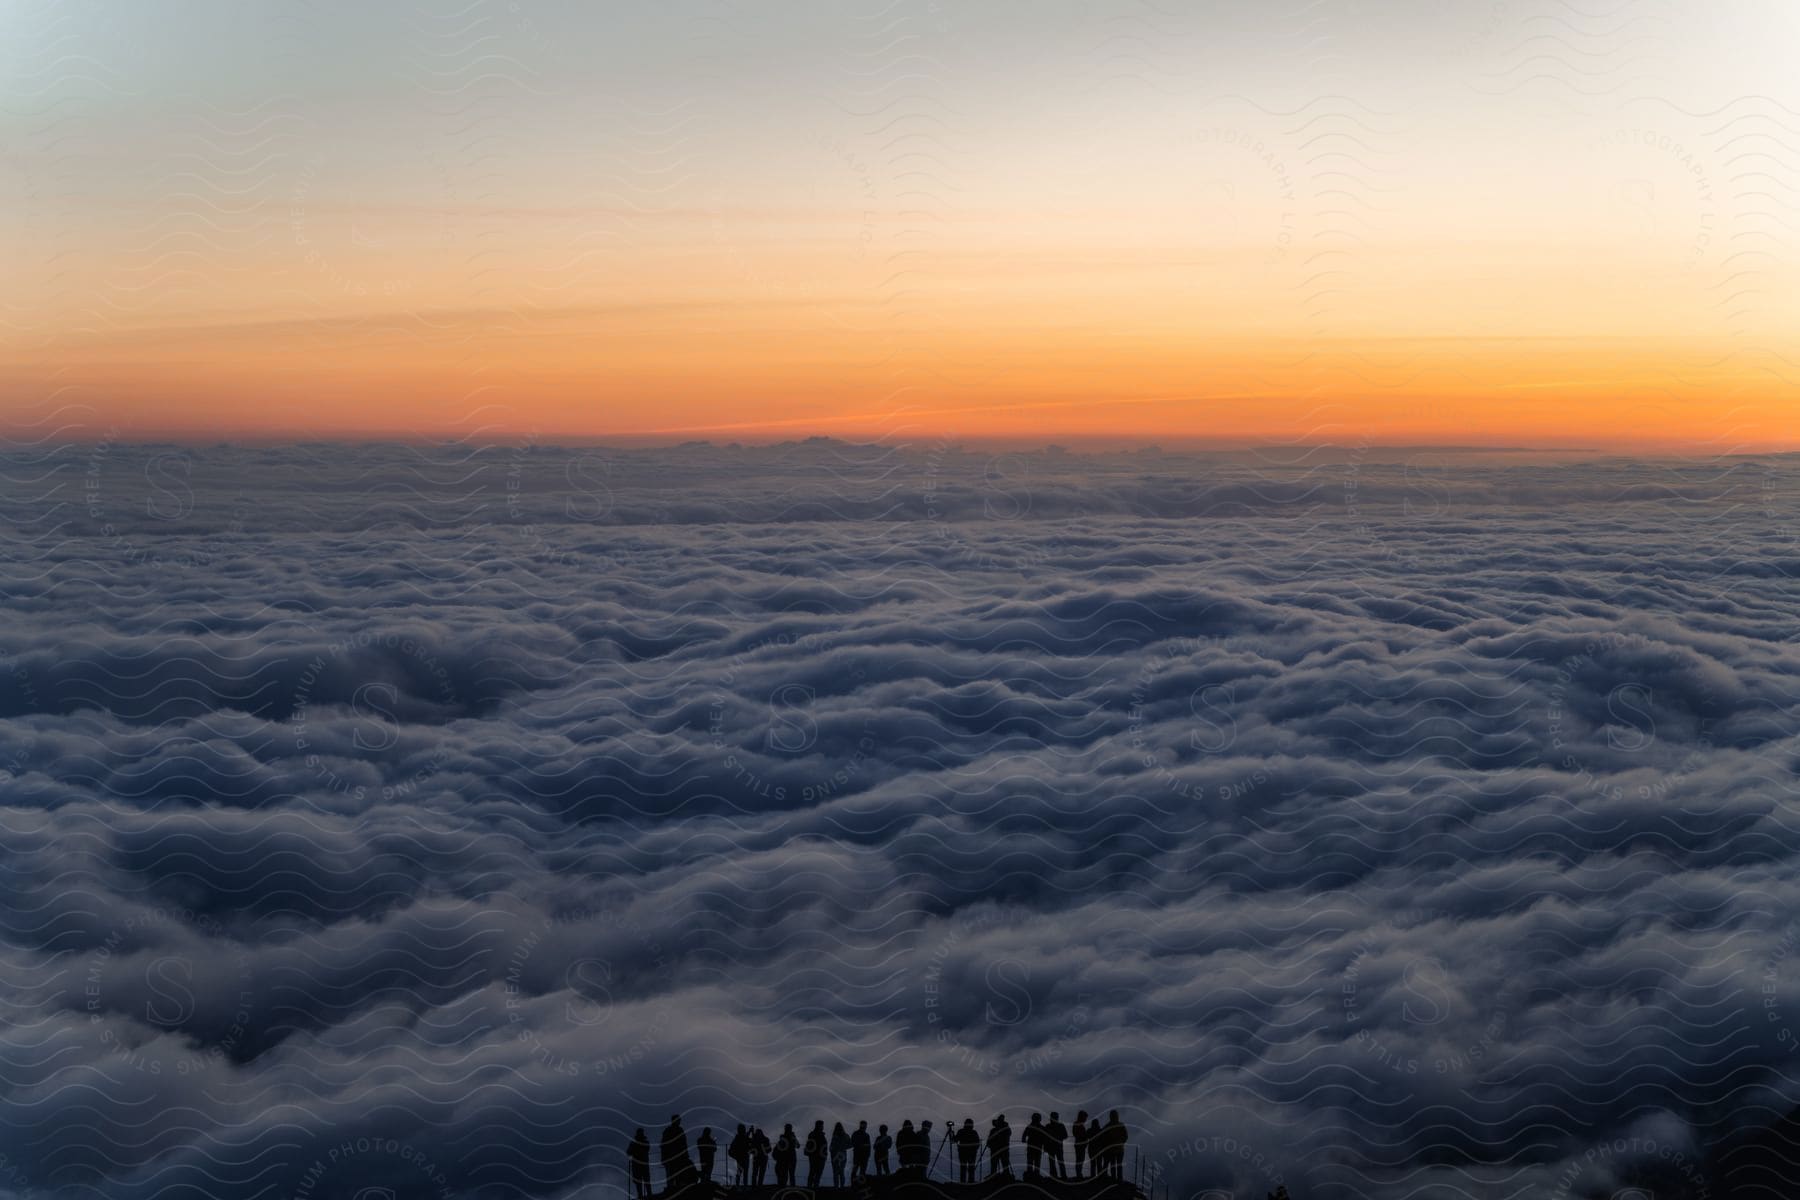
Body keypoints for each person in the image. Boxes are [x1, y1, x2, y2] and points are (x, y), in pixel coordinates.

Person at [661, 1114, 694, 1192]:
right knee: (672, 1174)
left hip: (679, 1156)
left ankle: (676, 1189)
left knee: (679, 1174)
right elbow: (664, 1144)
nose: (679, 1122)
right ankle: (672, 1189)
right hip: (672, 1156)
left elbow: (684, 1143)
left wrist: (686, 1154)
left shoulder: (679, 1130)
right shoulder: (669, 1130)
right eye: (678, 1120)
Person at [1101, 1111, 1127, 1179]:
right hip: (1119, 1149)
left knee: (1113, 1165)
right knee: (1119, 1165)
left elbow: (1103, 1137)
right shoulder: (1121, 1125)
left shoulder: (1107, 1126)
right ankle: (1119, 1179)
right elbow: (1125, 1136)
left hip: (1111, 1149)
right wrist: (1121, 1143)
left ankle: (1114, 1179)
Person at [629, 1129, 653, 1199]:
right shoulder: (637, 1143)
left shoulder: (644, 1143)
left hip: (641, 1165)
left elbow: (629, 1152)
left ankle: (648, 1195)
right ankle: (643, 1195)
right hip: (639, 1165)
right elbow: (629, 1152)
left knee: (646, 1180)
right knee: (640, 1181)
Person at [986, 1114, 1012, 1179]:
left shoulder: (1004, 1129)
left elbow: (989, 1139)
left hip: (1000, 1149)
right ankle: (997, 1174)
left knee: (1003, 1162)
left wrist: (989, 1144)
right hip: (999, 1149)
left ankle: (1003, 1174)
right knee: (998, 1162)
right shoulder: (1000, 1129)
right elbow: (989, 1139)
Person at [956, 1118, 981, 1183]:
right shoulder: (974, 1132)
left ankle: (963, 1182)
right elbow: (978, 1143)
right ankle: (971, 1181)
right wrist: (975, 1149)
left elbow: (954, 1140)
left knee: (963, 1168)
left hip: (963, 1153)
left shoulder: (961, 1131)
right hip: (971, 1153)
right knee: (971, 1168)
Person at [805, 1121, 828, 1189]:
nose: (822, 1127)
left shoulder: (812, 1134)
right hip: (817, 1156)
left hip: (815, 1156)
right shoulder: (818, 1135)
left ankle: (811, 1186)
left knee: (814, 1171)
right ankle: (814, 1186)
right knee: (816, 1172)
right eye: (822, 1125)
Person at [1045, 1112, 1068, 1179]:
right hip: (1057, 1147)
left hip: (1053, 1147)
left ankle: (1054, 1176)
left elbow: (1045, 1138)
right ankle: (1062, 1176)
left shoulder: (1048, 1126)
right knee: (1059, 1162)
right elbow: (1065, 1135)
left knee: (1053, 1162)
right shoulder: (1060, 1126)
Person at [829, 1122, 851, 1188]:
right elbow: (850, 1144)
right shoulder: (845, 1135)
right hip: (842, 1155)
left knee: (836, 1172)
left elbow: (831, 1147)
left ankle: (837, 1186)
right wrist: (844, 1147)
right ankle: (841, 1187)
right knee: (841, 1172)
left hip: (835, 1156)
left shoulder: (835, 1136)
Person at [1071, 1111, 1090, 1179]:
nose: (1085, 1119)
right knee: (1080, 1160)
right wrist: (1084, 1136)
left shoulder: (1078, 1124)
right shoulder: (1078, 1125)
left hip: (1080, 1145)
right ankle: (1079, 1174)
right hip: (1080, 1145)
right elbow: (1077, 1134)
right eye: (1085, 1117)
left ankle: (1079, 1174)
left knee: (1080, 1160)